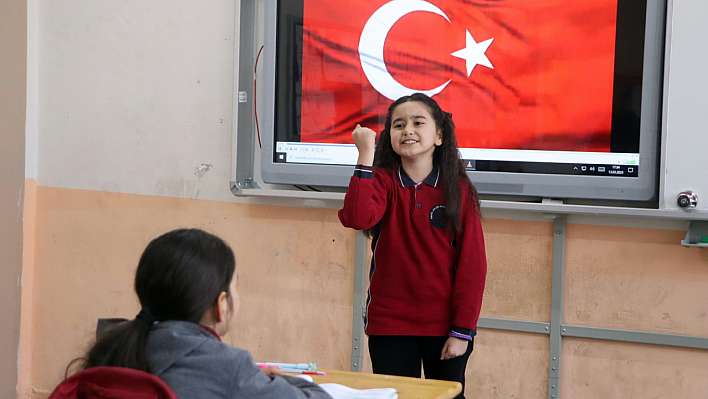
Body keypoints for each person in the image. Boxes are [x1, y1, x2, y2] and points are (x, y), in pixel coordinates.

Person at [338, 93, 488, 399]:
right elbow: (356, 216)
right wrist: (365, 155)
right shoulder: (381, 181)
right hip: (390, 325)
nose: (408, 130)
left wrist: (462, 331)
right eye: (398, 125)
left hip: (445, 328)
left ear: (439, 135)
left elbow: (473, 266)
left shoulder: (458, 190)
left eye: (418, 122)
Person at [67, 228, 331, 399]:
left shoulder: (109, 349)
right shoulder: (227, 366)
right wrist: (274, 377)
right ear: (222, 304)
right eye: (235, 286)